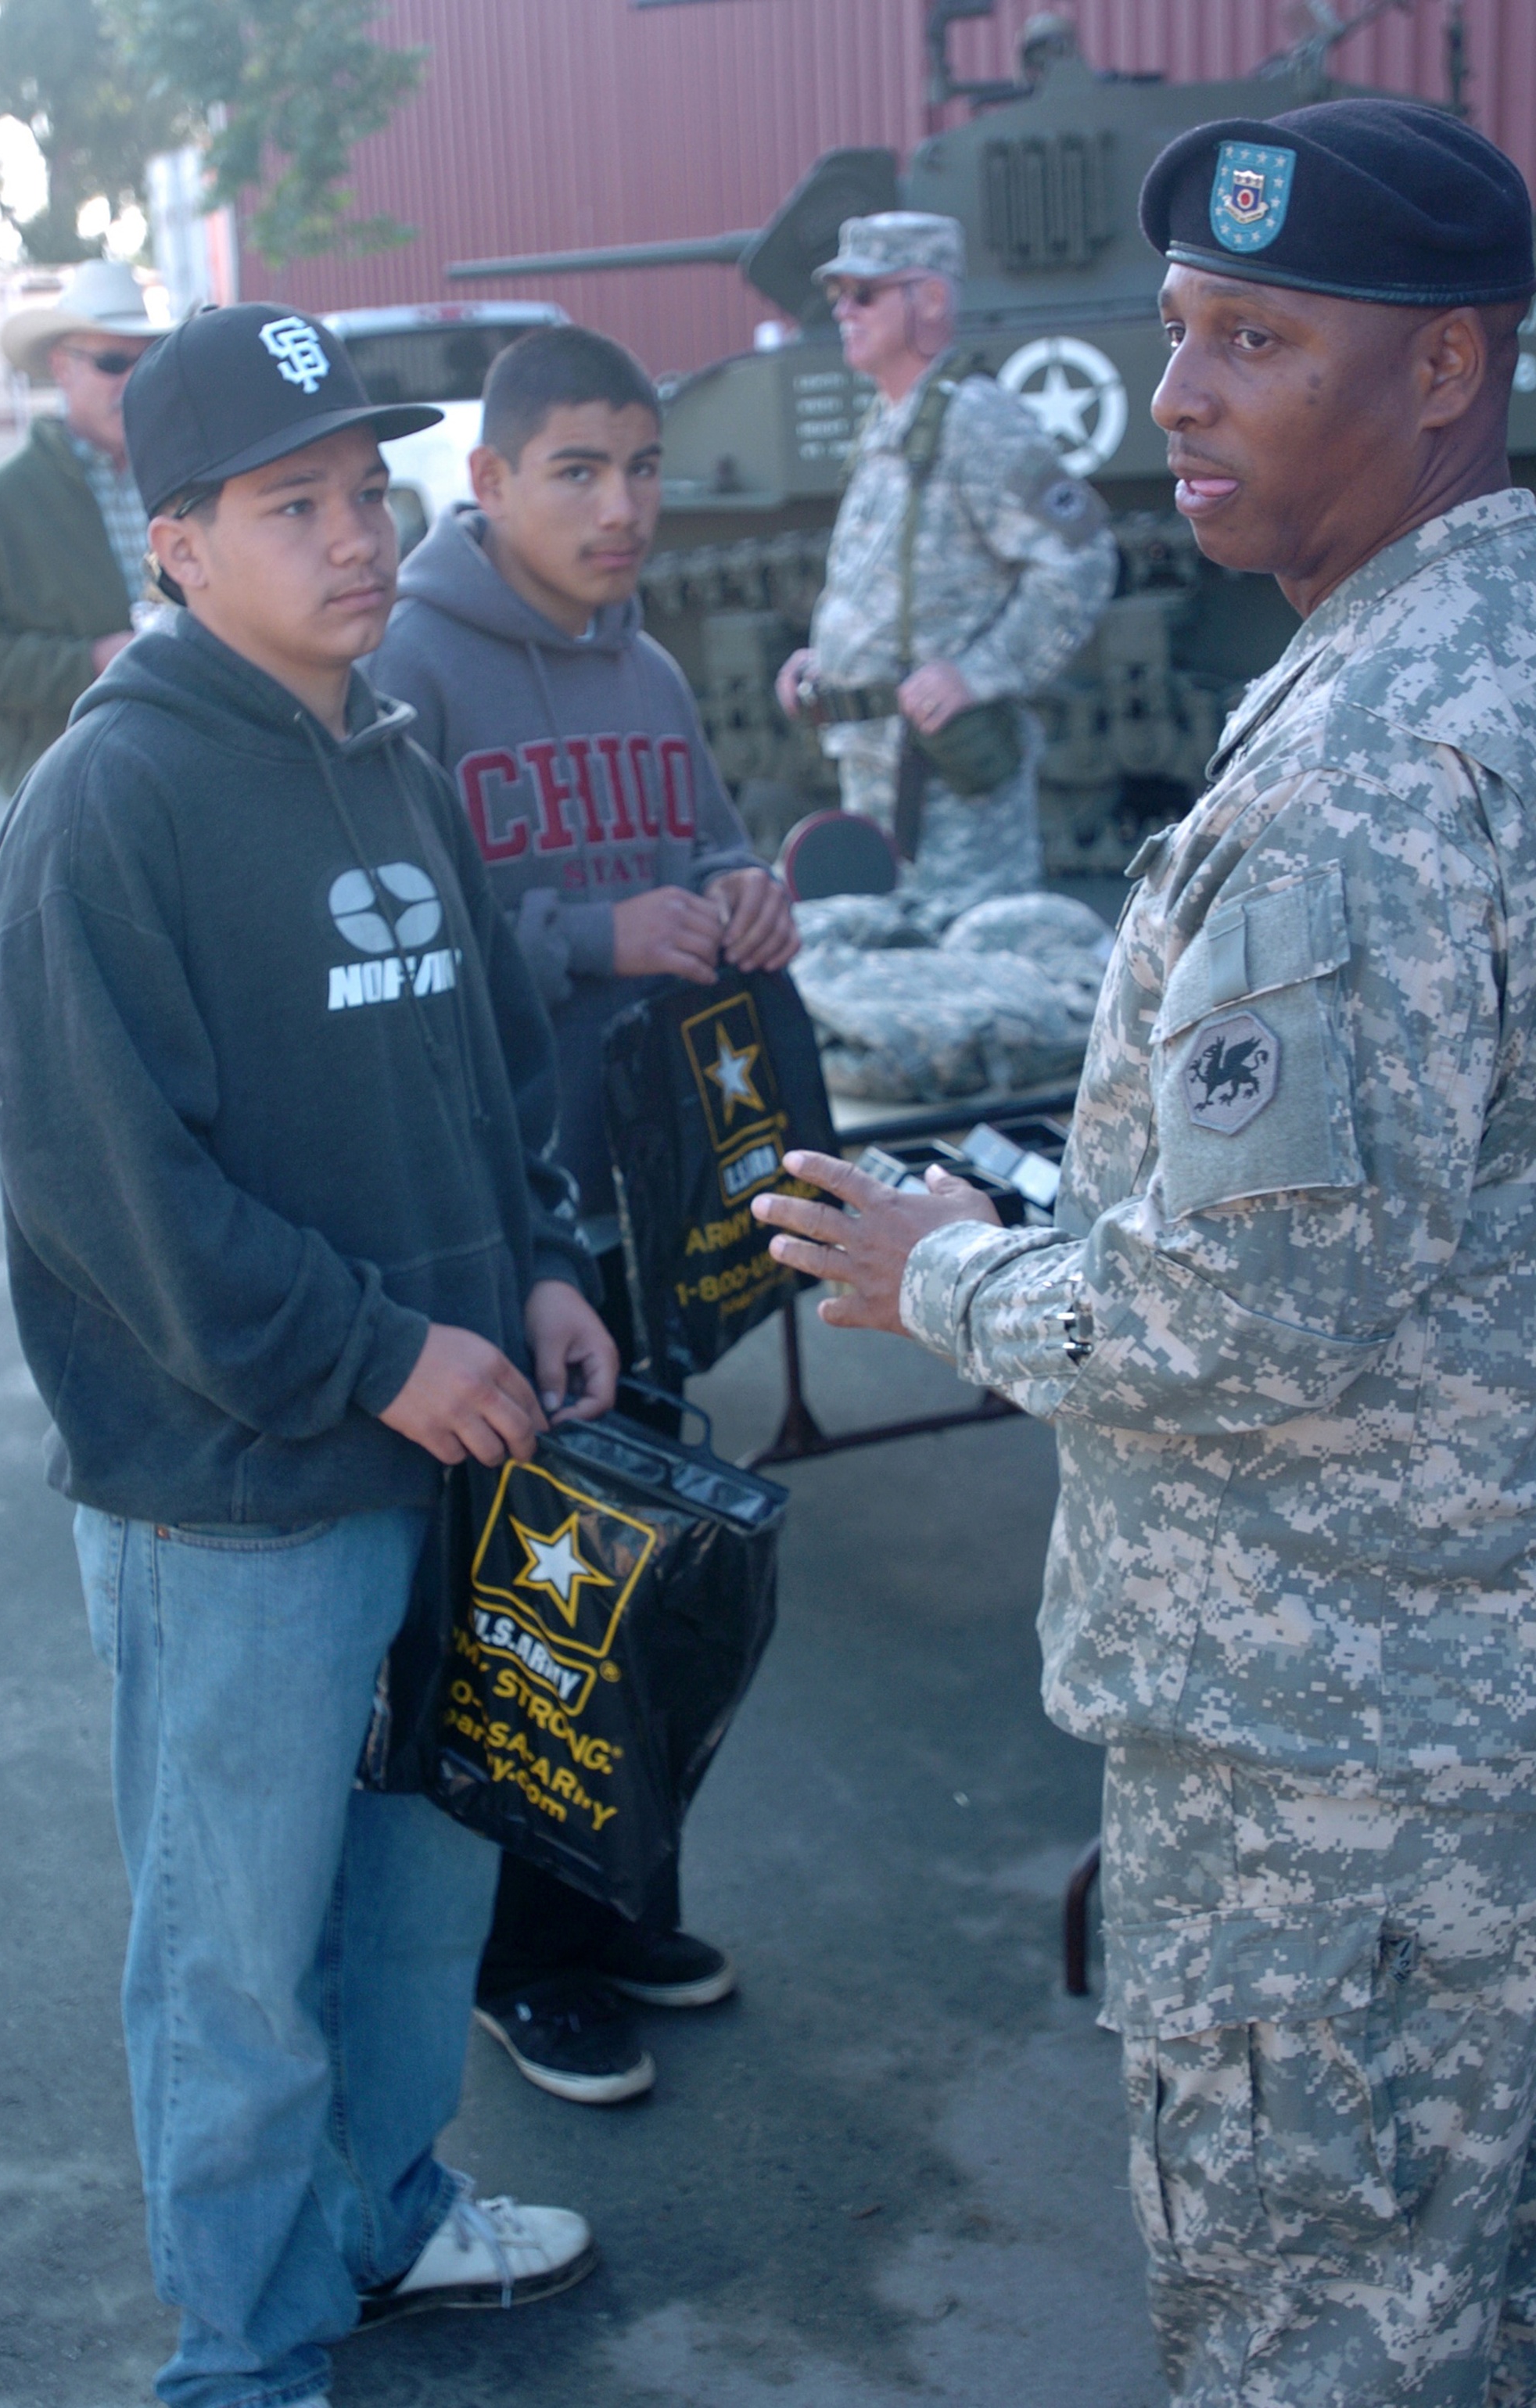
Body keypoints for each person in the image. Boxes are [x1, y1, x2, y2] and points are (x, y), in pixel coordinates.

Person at [754, 100, 1536, 2407]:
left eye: (1258, 339)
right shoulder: (1481, 659)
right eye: (1177, 332)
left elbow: (1253, 1315)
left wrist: (938, 1266)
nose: (1181, 396)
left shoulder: (1360, 783)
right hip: (1461, 1677)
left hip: (1327, 1738)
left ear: (1444, 371)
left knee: (1316, 2328)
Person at [0, 303, 620, 2408]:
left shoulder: (391, 743)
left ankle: (387, 2211)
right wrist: (374, 1346)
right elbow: (114, 1196)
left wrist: (532, 1262)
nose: (358, 538)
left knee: (422, 1883)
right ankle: (241, 2348)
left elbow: (487, 1062)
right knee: (236, 1950)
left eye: (370, 491)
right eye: (293, 504)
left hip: (450, 1431)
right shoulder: (109, 805)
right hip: (241, 1483)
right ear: (175, 542)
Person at [370, 322, 799, 2110]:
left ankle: (621, 1902)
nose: (620, 506)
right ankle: (519, 1965)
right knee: (527, 1608)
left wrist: (731, 893)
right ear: (488, 483)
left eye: (640, 467)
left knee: (652, 1580)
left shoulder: (651, 669)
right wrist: (587, 935)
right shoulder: (407, 664)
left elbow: (692, 838)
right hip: (497, 1220)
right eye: (576, 470)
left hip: (646, 1206)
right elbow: (420, 940)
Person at [774, 210, 1115, 910]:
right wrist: (824, 661)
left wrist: (978, 672)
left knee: (972, 964)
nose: (843, 310)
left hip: (947, 782)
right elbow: (887, 578)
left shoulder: (976, 421)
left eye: (864, 293)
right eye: (838, 293)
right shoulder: (890, 423)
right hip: (874, 763)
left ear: (927, 299)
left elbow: (1080, 560)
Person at [0, 260, 164, 794]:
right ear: (62, 366)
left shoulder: (183, 477)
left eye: (148, 362)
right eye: (112, 361)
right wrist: (90, 661)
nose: (133, 381)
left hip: (179, 763)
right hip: (61, 782)